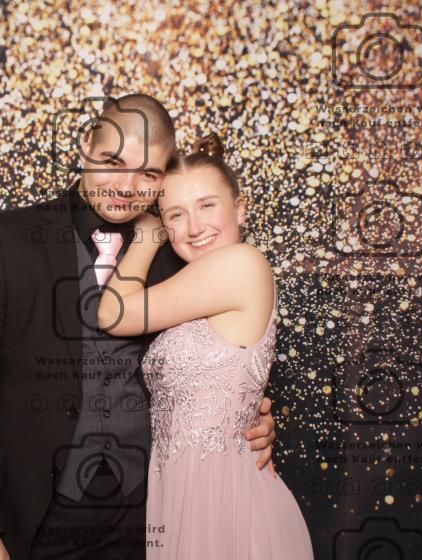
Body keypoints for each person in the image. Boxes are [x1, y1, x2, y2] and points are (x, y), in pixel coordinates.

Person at [0, 95, 278, 560]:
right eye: (113, 162)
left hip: (152, 511)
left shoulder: (182, 249)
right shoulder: (6, 238)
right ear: (85, 145)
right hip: (34, 507)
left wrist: (249, 416)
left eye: (148, 174)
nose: (125, 186)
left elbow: (221, 358)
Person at [97, 132, 314, 559]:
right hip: (184, 491)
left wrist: (145, 236)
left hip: (224, 499)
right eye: (175, 215)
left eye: (207, 205)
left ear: (241, 207)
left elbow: (113, 314)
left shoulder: (241, 264)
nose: (194, 228)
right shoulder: (195, 285)